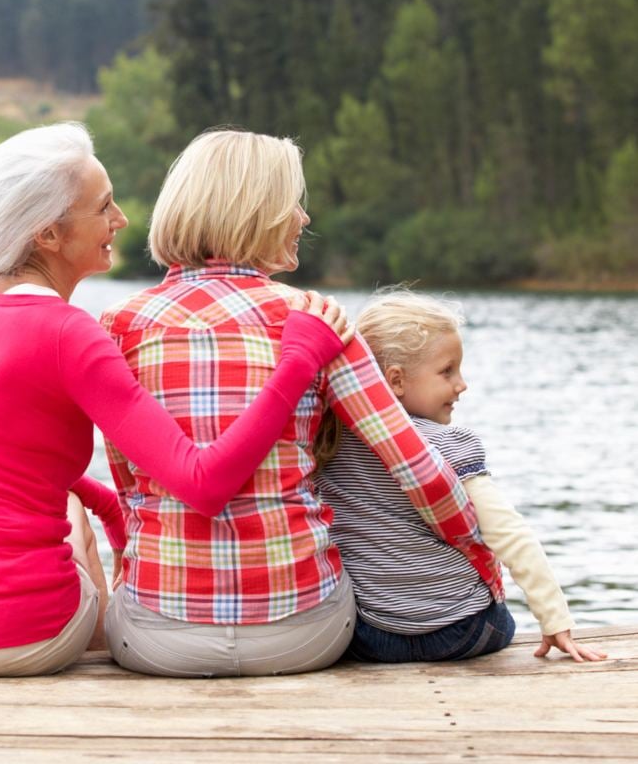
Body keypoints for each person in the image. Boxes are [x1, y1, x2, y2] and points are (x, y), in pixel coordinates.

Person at [0, 122, 352, 677]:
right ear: (49, 235)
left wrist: (113, 512)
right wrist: (298, 361)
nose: (121, 221)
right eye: (104, 207)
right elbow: (204, 483)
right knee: (66, 510)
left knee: (54, 493)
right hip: (13, 636)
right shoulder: (69, 334)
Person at [101, 129, 503, 678]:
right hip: (304, 633)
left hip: (158, 639)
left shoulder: (118, 327)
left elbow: (129, 487)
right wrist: (481, 557)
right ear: (257, 210)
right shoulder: (317, 319)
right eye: (294, 202)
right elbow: (420, 471)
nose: (303, 218)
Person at [316, 289, 607, 663]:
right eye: (447, 371)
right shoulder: (448, 445)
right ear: (396, 380)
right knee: (500, 617)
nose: (462, 384)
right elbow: (509, 534)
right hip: (461, 632)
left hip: (374, 635)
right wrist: (555, 620)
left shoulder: (329, 444)